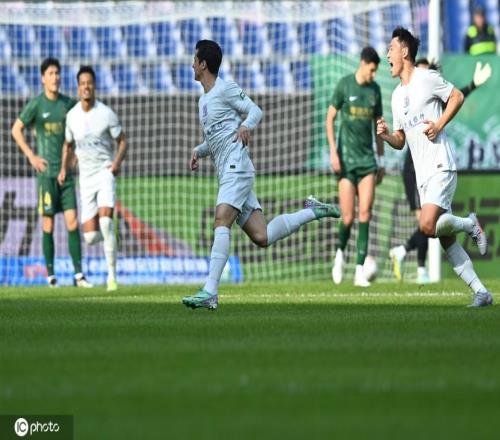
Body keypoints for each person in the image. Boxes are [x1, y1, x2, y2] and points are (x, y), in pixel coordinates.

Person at [182, 40, 340, 310]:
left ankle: (210, 291)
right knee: (262, 236)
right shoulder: (203, 101)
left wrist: (246, 125)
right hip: (228, 171)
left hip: (237, 168)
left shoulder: (226, 88)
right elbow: (217, 139)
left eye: (195, 60)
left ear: (203, 64)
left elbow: (255, 110)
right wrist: (199, 150)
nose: (192, 64)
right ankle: (313, 210)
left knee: (221, 220)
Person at [377, 27, 492, 307]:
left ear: (405, 51)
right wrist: (387, 136)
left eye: (391, 48)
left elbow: (457, 96)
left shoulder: (426, 78)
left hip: (441, 164)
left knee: (427, 225)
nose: (387, 54)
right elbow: (401, 140)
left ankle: (470, 223)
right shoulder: (396, 96)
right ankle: (482, 293)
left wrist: (439, 124)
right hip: (423, 176)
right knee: (446, 240)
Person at [12, 57, 92, 288]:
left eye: (57, 73)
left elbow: (83, 127)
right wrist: (32, 156)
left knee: (72, 223)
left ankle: (78, 275)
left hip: (66, 175)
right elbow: (16, 129)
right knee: (48, 225)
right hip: (46, 176)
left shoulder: (68, 104)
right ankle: (51, 276)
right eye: (50, 73)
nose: (55, 77)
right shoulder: (37, 104)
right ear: (43, 78)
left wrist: (74, 158)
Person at [325, 46, 385, 287]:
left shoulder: (375, 90)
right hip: (347, 162)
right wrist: (333, 151)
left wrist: (381, 161)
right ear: (363, 64)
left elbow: (379, 127)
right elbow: (329, 118)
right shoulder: (345, 85)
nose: (373, 75)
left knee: (365, 213)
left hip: (368, 162)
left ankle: (360, 271)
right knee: (348, 216)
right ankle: (340, 255)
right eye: (371, 70)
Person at [65, 66, 127, 292]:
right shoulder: (72, 116)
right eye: (82, 83)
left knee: (105, 222)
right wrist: (65, 168)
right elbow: (68, 146)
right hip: (85, 179)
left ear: (94, 86)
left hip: (104, 173)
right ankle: (111, 236)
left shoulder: (106, 113)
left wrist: (116, 164)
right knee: (91, 237)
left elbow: (122, 141)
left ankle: (112, 278)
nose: (86, 87)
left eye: (89, 83)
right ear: (78, 87)